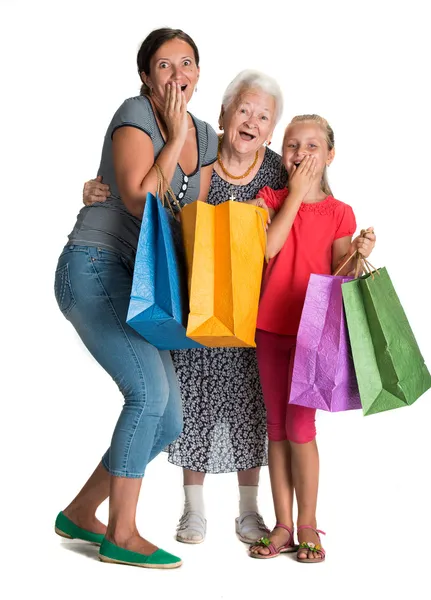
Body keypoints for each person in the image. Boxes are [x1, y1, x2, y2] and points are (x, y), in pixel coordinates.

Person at [83, 69, 286, 545]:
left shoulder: (278, 171)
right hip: (192, 306)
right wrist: (96, 191)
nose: (251, 122)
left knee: (249, 409)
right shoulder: (200, 159)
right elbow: (148, 193)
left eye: (263, 116)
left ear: (272, 129)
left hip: (251, 313)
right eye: (243, 110)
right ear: (222, 115)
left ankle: (249, 511)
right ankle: (192, 511)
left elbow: (315, 204)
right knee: (189, 403)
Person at [54, 27, 218, 569]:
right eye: (165, 65)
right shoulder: (136, 113)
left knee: (168, 420)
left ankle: (81, 512)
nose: (177, 75)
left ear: (199, 73)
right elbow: (136, 196)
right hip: (96, 267)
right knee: (147, 395)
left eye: (187, 63)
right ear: (147, 76)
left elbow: (203, 218)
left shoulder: (209, 138)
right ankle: (122, 533)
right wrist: (171, 136)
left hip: (148, 288)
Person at [249, 114, 376, 562]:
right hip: (268, 326)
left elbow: (344, 269)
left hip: (313, 334)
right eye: (291, 145)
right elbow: (267, 248)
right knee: (277, 427)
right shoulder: (270, 198)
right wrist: (295, 196)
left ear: (330, 154)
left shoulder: (341, 212)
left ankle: (308, 524)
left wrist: (359, 253)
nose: (300, 154)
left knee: (302, 426)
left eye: (312, 146)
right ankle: (281, 524)